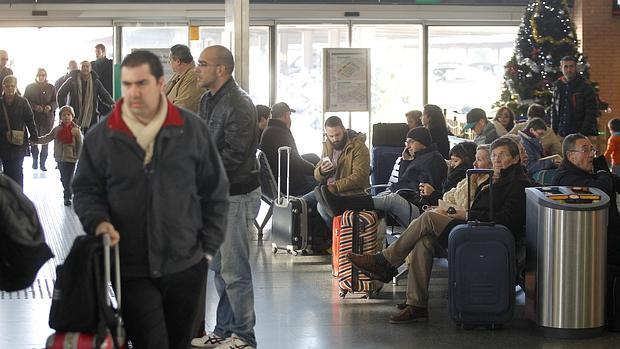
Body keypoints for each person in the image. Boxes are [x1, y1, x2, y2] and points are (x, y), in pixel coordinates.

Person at [72, 50, 229, 349]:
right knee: (149, 342)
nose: (133, 91)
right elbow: (86, 190)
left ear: (160, 83)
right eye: (127, 84)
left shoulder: (191, 130)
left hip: (186, 263)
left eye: (141, 83)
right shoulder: (102, 136)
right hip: (131, 266)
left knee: (178, 342)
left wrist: (206, 249)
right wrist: (99, 222)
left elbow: (215, 191)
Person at [347, 137, 532, 323]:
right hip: (475, 231)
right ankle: (416, 304)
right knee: (423, 242)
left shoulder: (518, 184)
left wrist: (465, 215)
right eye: (494, 155)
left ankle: (385, 261)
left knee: (428, 218)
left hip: (488, 237)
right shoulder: (494, 180)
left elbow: (509, 220)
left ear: (515, 159)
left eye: (503, 155)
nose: (497, 159)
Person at [194, 45, 261, 349]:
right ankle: (224, 330)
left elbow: (233, 155)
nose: (198, 69)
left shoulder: (239, 103)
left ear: (221, 69)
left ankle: (244, 337)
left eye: (202, 64)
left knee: (235, 271)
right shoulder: (209, 99)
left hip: (236, 196)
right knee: (220, 269)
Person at [317, 127, 447, 227]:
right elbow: (404, 180)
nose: (407, 146)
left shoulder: (434, 159)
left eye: (411, 142)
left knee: (390, 199)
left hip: (420, 208)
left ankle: (342, 204)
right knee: (381, 198)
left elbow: (425, 187)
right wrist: (406, 161)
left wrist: (400, 190)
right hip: (407, 199)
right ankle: (345, 213)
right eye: (406, 142)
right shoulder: (418, 157)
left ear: (422, 142)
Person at [552, 133, 620, 266]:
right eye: (585, 150)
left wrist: (601, 168)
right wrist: (602, 169)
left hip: (606, 235)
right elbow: (601, 189)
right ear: (570, 155)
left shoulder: (585, 172)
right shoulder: (565, 178)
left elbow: (613, 181)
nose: (591, 155)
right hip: (588, 247)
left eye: (592, 150)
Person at [304, 115, 370, 226]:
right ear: (326, 134)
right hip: (327, 190)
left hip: (350, 192)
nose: (335, 139)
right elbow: (317, 175)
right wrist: (321, 171)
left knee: (322, 207)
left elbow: (359, 177)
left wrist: (335, 186)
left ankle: (337, 237)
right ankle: (318, 238)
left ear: (344, 130)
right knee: (302, 202)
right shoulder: (328, 146)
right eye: (331, 136)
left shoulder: (358, 147)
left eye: (337, 134)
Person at [260, 101, 316, 196]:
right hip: (289, 184)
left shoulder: (269, 129)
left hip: (279, 177)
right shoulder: (281, 132)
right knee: (323, 186)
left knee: (313, 157)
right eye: (290, 115)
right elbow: (295, 161)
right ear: (286, 116)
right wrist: (316, 171)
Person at [33, 105, 82, 206]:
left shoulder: (76, 130)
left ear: (72, 116)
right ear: (60, 117)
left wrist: (79, 157)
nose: (66, 117)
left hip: (71, 159)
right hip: (60, 159)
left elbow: (80, 145)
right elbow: (47, 138)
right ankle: (68, 190)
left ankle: (67, 197)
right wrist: (36, 140)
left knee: (69, 178)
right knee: (64, 178)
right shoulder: (57, 130)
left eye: (68, 115)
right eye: (63, 115)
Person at [57, 60, 114, 134]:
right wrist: (64, 110)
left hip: (91, 117)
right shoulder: (72, 81)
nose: (85, 68)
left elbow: (104, 94)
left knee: (90, 141)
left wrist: (112, 103)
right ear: (79, 68)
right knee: (74, 142)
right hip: (74, 116)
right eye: (83, 66)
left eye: (87, 66)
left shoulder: (95, 82)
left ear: (90, 69)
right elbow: (60, 94)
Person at [0, 75, 38, 187]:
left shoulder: (22, 102)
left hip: (19, 142)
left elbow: (30, 120)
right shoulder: (0, 102)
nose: (10, 88)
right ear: (3, 87)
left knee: (17, 169)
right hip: (3, 142)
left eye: (12, 86)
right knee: (6, 170)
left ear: (16, 87)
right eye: (7, 86)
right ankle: (9, 197)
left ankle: (19, 196)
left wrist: (34, 137)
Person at [551, 56, 599, 138]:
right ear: (561, 68)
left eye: (571, 66)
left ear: (575, 67)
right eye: (565, 67)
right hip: (561, 132)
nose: (569, 70)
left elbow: (591, 110)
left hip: (580, 133)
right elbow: (554, 109)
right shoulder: (558, 86)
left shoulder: (585, 86)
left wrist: (583, 132)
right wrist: (554, 130)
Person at [24, 68, 57, 171]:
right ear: (36, 75)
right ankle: (34, 160)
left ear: (46, 76)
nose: (41, 77)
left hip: (47, 118)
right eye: (39, 75)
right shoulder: (30, 87)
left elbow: (56, 101)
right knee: (34, 139)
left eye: (43, 75)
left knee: (46, 142)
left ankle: (43, 163)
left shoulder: (51, 87)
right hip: (34, 118)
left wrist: (50, 107)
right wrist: (34, 106)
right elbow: (25, 100)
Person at [164, 44, 204, 113]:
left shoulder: (194, 76)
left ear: (178, 61)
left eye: (170, 60)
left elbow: (182, 106)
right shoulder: (178, 74)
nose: (169, 63)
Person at [91, 44, 114, 116]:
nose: (96, 54)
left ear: (104, 52)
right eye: (95, 52)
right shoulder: (92, 65)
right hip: (95, 96)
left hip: (107, 92)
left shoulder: (111, 64)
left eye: (98, 52)